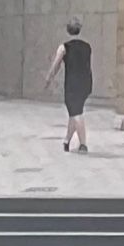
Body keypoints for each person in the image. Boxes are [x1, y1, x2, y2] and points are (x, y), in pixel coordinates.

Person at [43, 19, 92, 153]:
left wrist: (48, 78)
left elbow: (56, 64)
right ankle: (67, 141)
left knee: (76, 113)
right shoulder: (87, 46)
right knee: (74, 111)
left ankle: (83, 144)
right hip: (86, 82)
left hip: (72, 83)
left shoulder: (64, 47)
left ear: (67, 30)